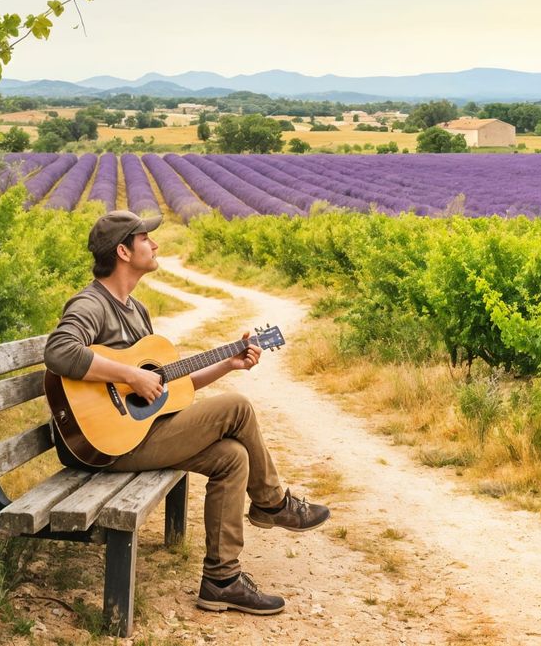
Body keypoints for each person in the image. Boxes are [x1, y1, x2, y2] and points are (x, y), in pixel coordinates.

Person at [43, 209, 330, 615]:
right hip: (104, 446)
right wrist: (131, 375)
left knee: (233, 457)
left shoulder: (136, 311)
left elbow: (167, 392)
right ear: (123, 251)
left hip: (138, 435)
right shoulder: (93, 304)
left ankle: (221, 580)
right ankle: (272, 503)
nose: (155, 244)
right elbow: (58, 352)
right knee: (237, 407)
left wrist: (228, 364)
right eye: (146, 238)